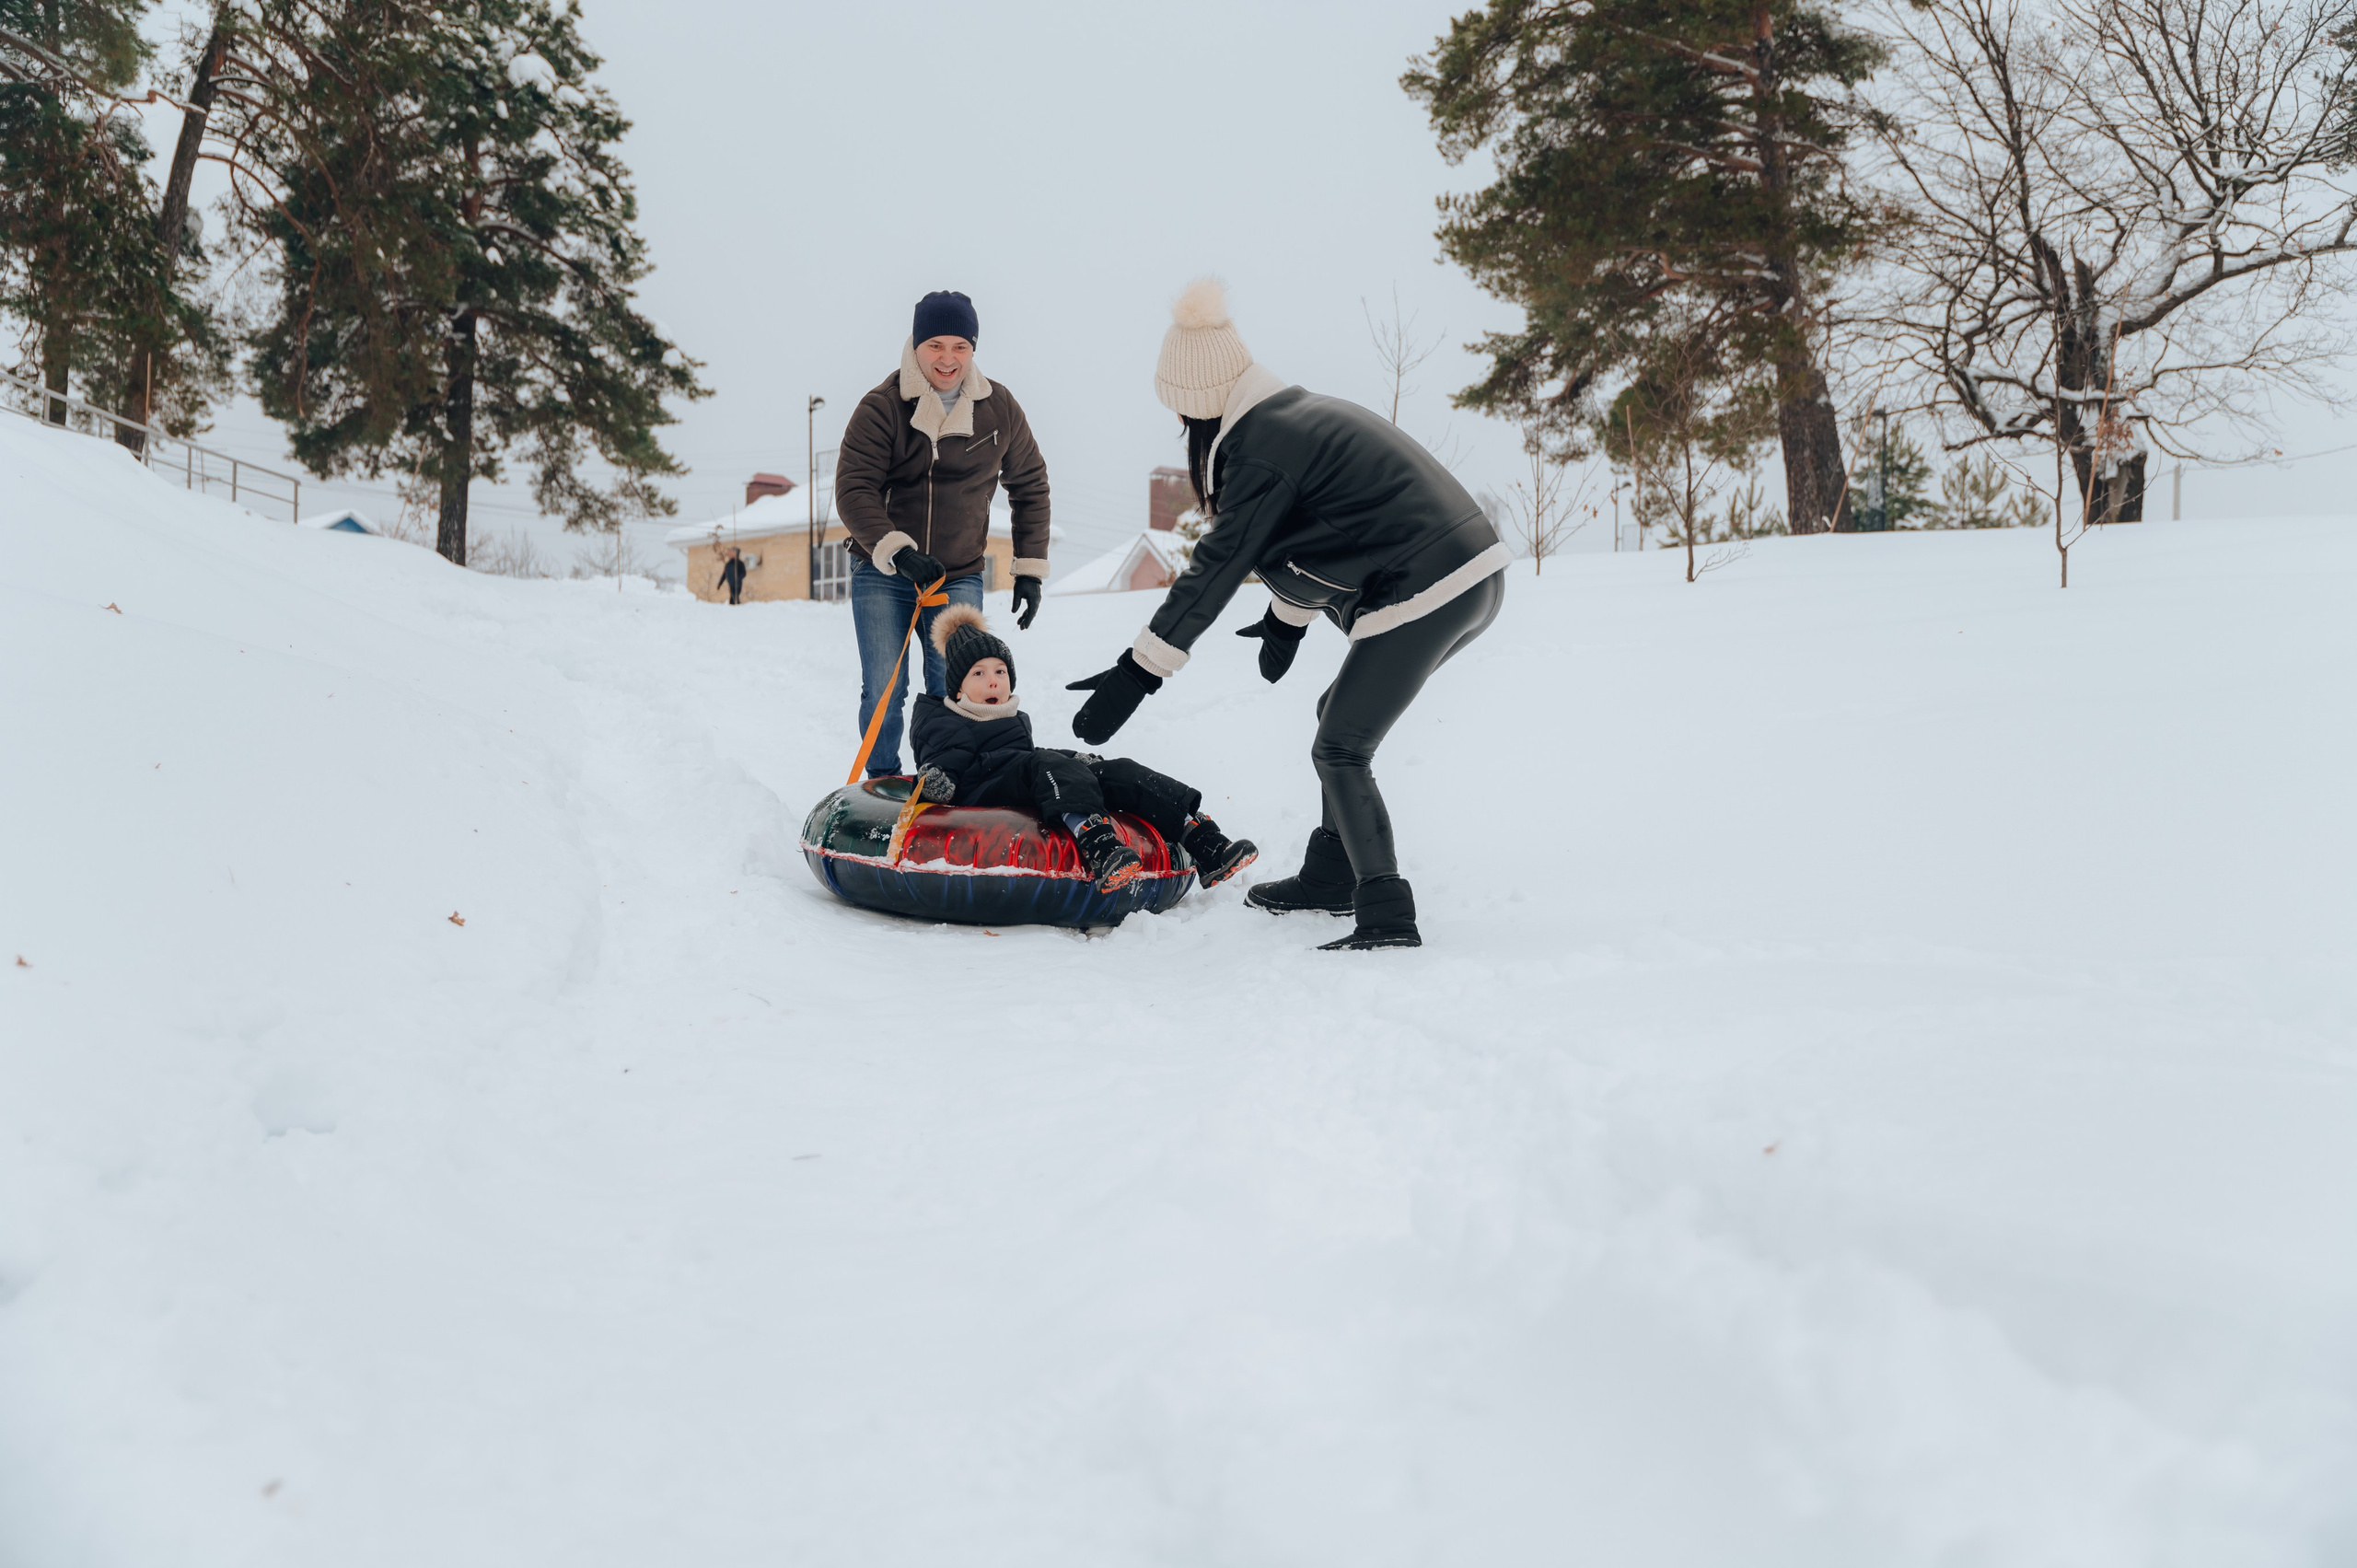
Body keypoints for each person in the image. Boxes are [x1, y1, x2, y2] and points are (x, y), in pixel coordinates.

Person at [1065, 280, 1509, 951]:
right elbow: (1323, 529)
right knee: (1336, 714)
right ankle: (1332, 874)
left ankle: (1387, 915)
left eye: (1183, 416)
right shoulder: (1290, 418)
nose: (1184, 430)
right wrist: (1285, 620)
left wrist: (1139, 671)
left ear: (1199, 402)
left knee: (1340, 747)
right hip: (1468, 573)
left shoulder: (1262, 446)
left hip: (1430, 581)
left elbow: (1217, 564)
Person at [833, 291, 1052, 777]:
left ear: (973, 348)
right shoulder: (882, 407)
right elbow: (853, 491)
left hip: (956, 575)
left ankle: (945, 779)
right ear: (916, 345)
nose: (948, 359)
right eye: (935, 345)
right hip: (883, 570)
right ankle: (883, 781)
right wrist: (896, 551)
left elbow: (1031, 486)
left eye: (960, 346)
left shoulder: (999, 409)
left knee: (955, 686)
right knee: (885, 686)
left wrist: (1030, 569)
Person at [911, 605, 1257, 896]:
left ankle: (1203, 840)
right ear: (957, 690)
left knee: (1114, 770)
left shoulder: (1013, 718)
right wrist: (935, 780)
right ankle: (1099, 845)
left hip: (1017, 777)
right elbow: (943, 763)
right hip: (980, 790)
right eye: (979, 673)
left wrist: (1077, 759)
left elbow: (1025, 758)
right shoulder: (944, 719)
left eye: (1000, 671)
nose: (994, 680)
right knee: (1046, 762)